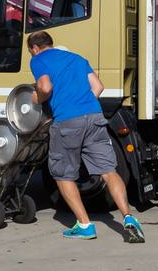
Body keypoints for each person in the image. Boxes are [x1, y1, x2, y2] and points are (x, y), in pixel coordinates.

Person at [28, 30, 145, 243]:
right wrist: (81, 103)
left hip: (67, 121)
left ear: (35, 48)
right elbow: (98, 87)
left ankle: (84, 225)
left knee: (63, 175)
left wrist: (37, 97)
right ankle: (128, 218)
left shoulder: (39, 60)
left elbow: (45, 87)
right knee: (109, 171)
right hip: (94, 116)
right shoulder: (77, 58)